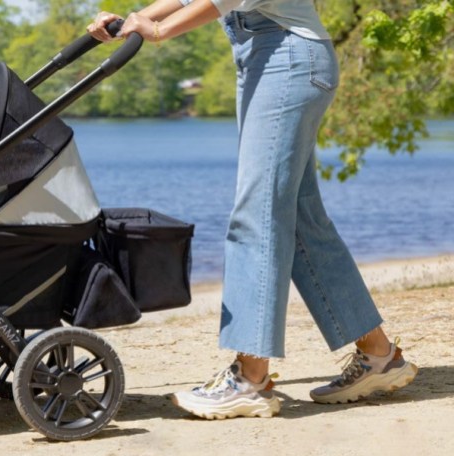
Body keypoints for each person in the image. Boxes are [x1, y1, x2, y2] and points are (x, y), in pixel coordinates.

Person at [88, 0, 418, 419]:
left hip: (287, 59)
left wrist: (157, 31)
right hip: (269, 59)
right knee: (299, 219)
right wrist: (137, 20)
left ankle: (250, 378)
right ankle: (379, 355)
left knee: (257, 216)